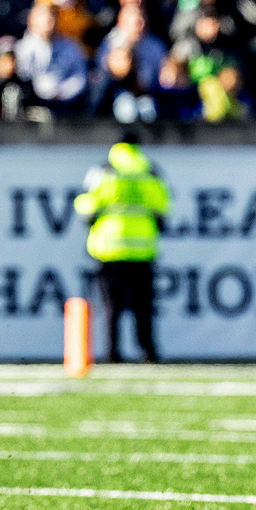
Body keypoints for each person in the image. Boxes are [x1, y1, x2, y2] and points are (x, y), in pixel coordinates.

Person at [73, 135, 171, 363]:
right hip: (143, 247)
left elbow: (86, 205)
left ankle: (112, 352)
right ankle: (148, 351)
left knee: (112, 307)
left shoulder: (104, 170)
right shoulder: (150, 170)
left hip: (110, 247)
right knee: (144, 306)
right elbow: (164, 206)